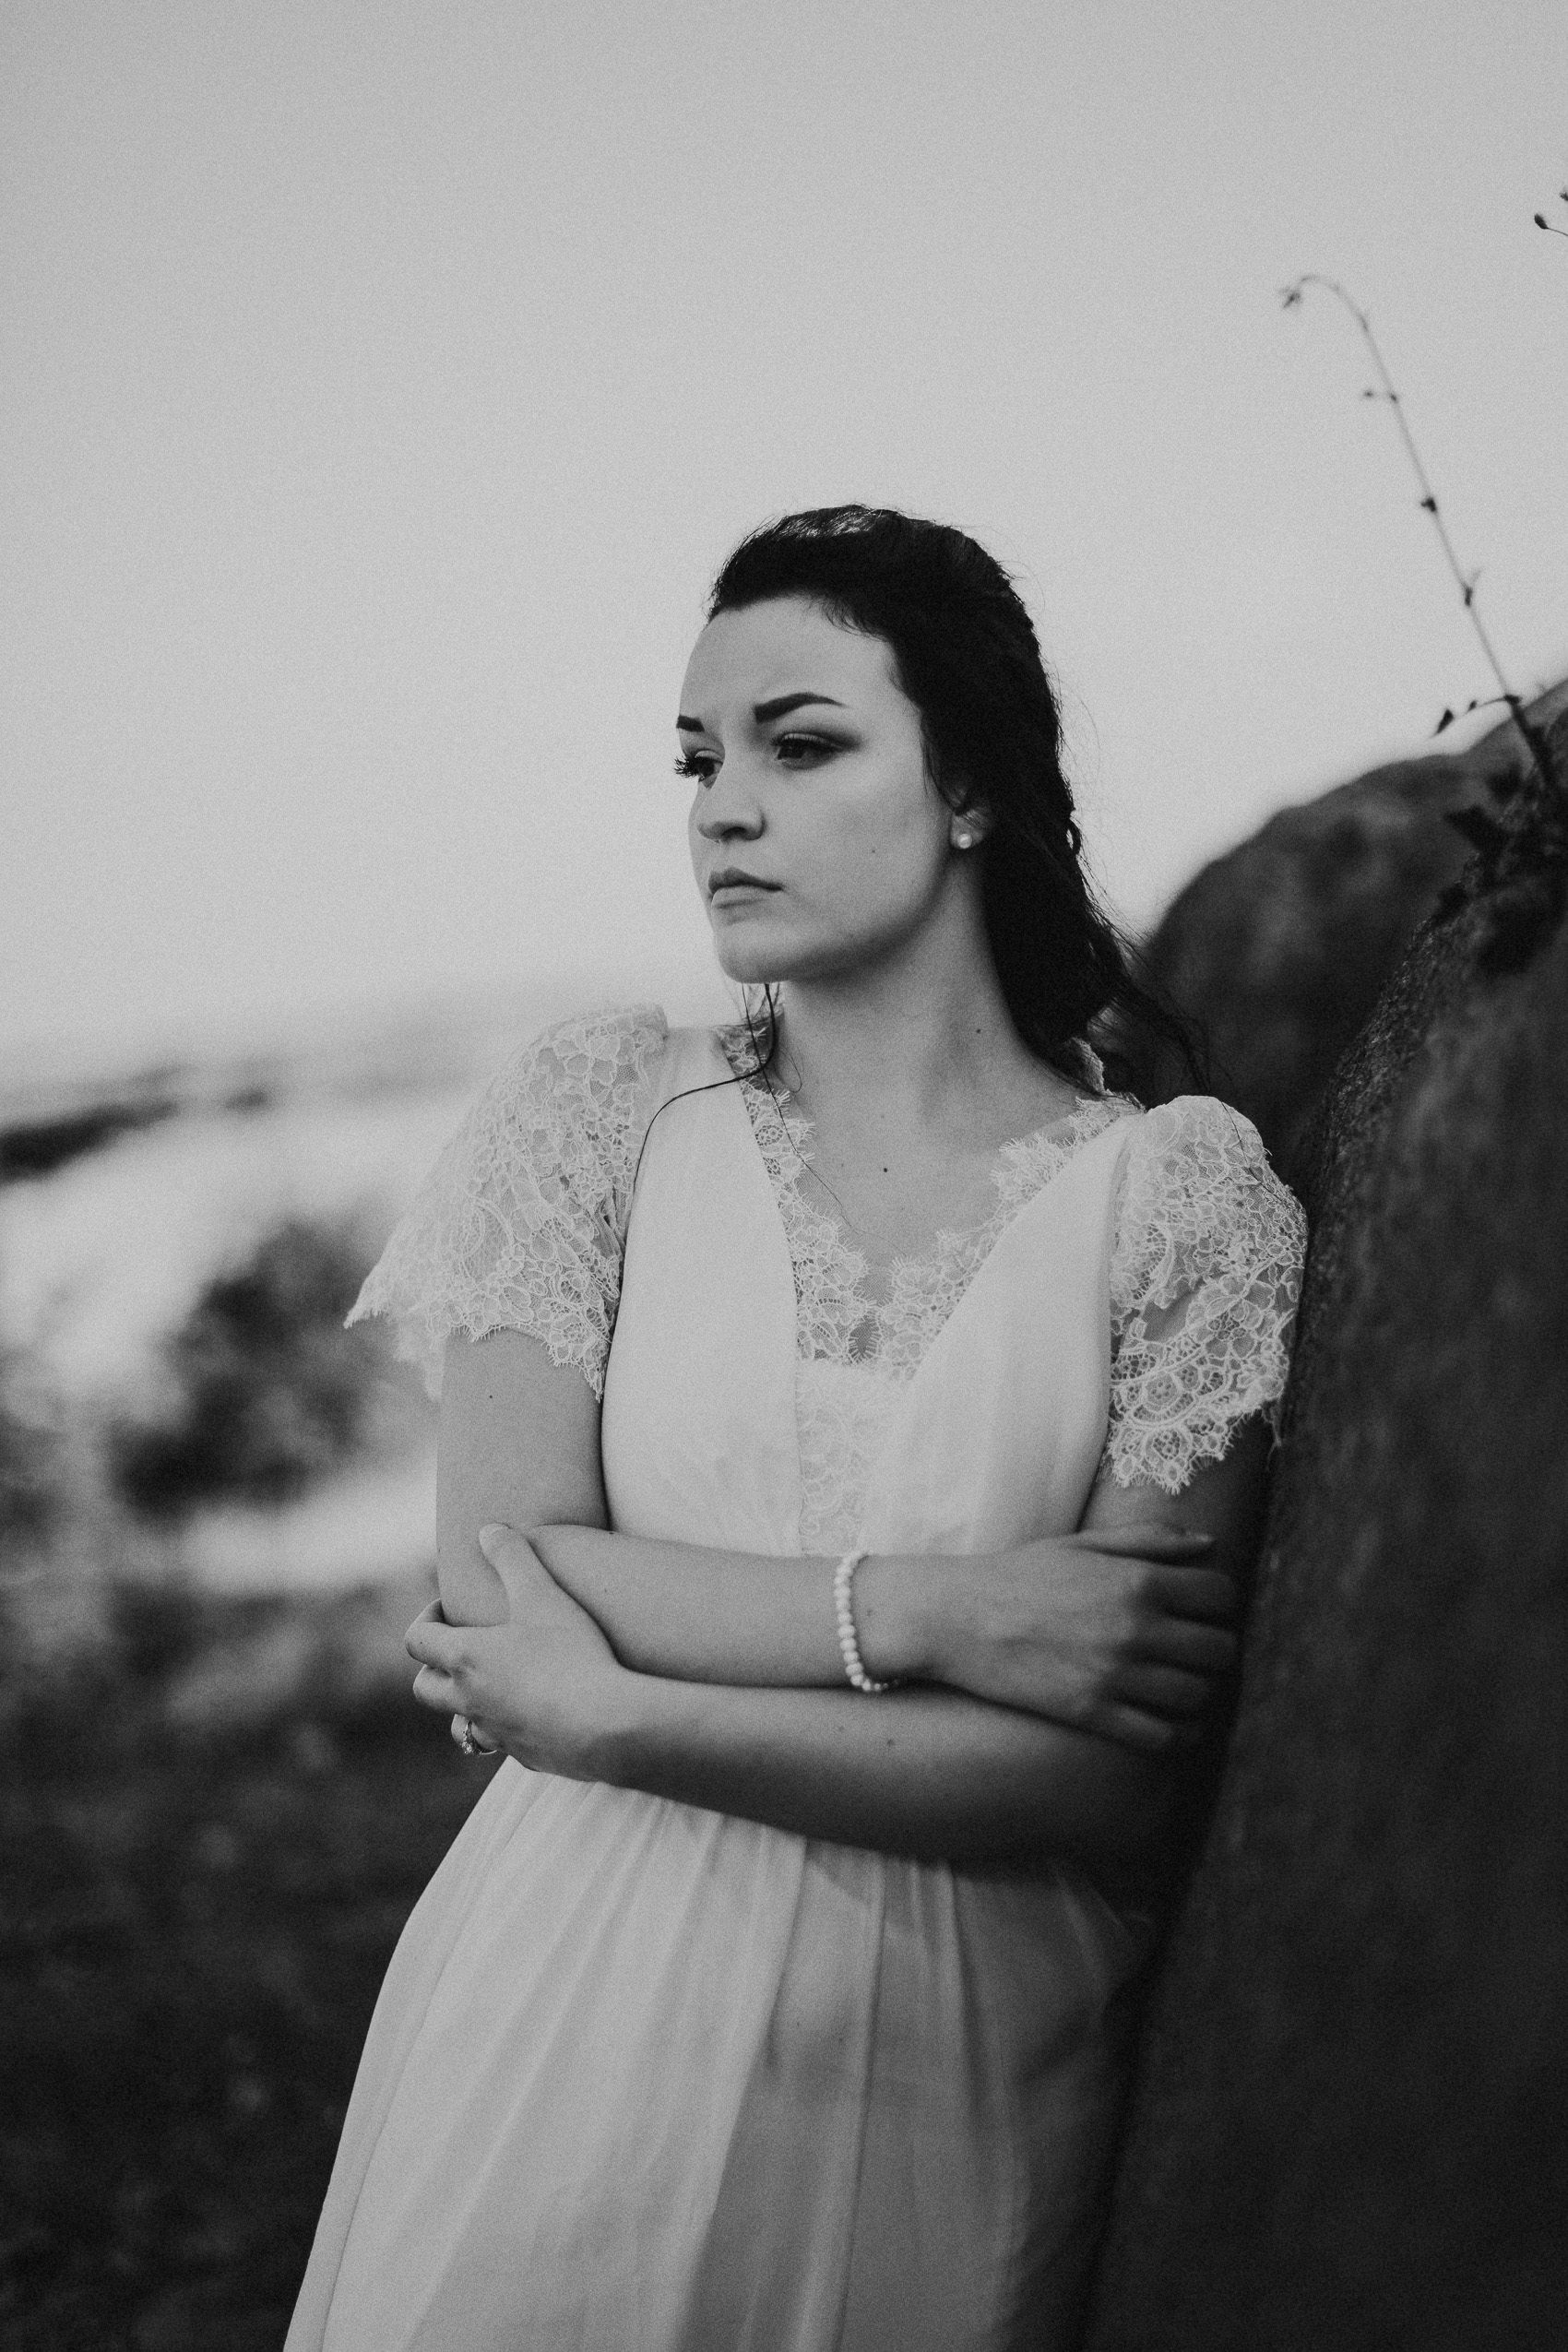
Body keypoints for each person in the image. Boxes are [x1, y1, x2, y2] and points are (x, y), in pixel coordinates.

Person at [286, 505, 1306, 2351]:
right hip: (563, 2027)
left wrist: (626, 1710)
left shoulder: (1181, 1204)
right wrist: (933, 1614)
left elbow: (1107, 1769)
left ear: (975, 784)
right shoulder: (599, 1113)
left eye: (802, 742)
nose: (720, 808)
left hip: (948, 2069)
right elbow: (497, 1581)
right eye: (698, 758)